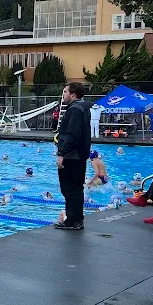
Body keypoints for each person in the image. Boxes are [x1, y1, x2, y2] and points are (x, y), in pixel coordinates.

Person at [55, 82, 91, 230]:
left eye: (65, 92)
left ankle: (74, 221)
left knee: (70, 189)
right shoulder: (82, 108)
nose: (63, 95)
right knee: (75, 188)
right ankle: (75, 219)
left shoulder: (75, 110)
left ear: (73, 94)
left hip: (72, 156)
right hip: (79, 155)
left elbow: (72, 134)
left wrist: (62, 153)